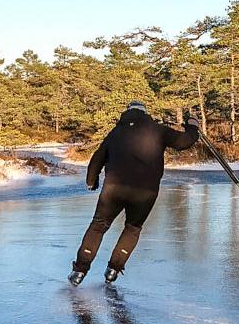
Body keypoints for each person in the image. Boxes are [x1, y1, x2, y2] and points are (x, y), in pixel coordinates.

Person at [69, 100, 198, 285]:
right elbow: (184, 142)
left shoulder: (115, 133)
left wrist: (92, 180)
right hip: (145, 192)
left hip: (114, 189)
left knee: (98, 226)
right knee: (132, 228)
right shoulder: (158, 130)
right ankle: (113, 269)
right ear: (145, 113)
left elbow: (98, 157)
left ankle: (79, 271)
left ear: (127, 112)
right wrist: (193, 126)